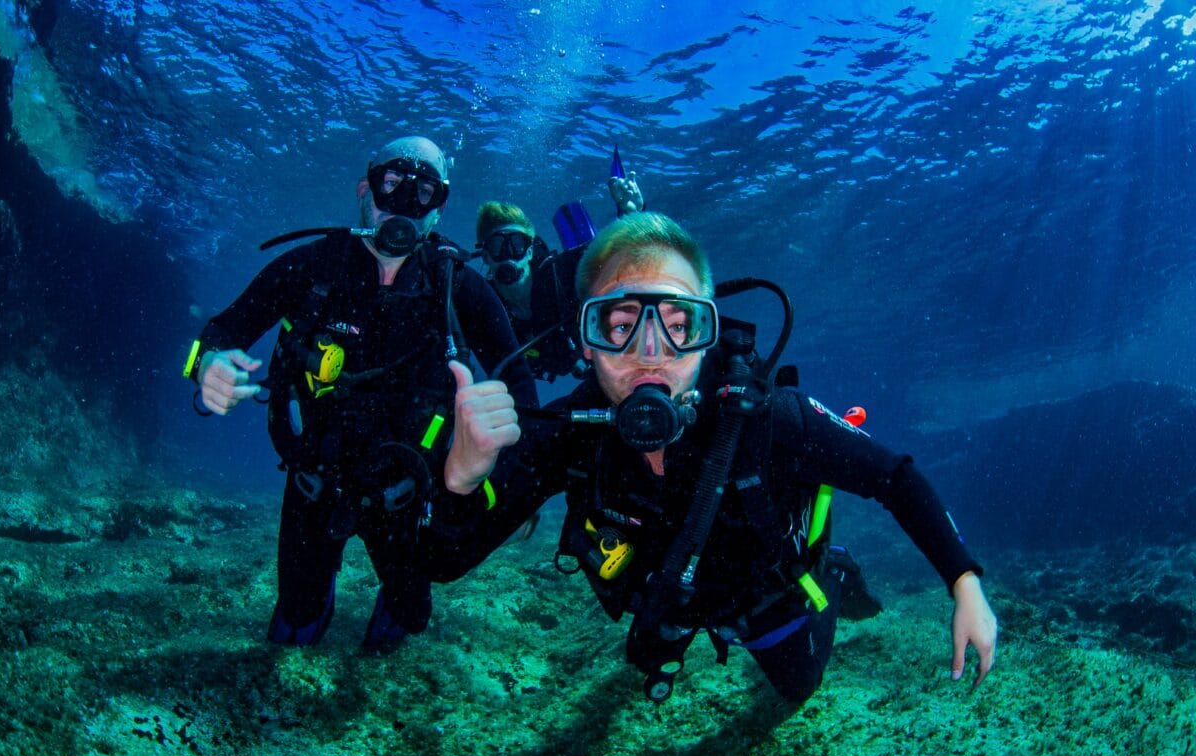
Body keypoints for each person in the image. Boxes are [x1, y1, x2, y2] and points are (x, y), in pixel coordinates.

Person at [427, 211, 997, 704]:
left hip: (763, 597)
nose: (650, 354)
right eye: (620, 324)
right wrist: (459, 476)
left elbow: (892, 477)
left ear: (707, 332)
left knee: (797, 687)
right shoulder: (569, 433)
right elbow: (441, 564)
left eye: (678, 326)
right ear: (585, 340)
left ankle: (834, 573)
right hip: (663, 604)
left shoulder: (771, 418)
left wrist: (964, 583)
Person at [183, 135, 537, 651]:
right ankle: (313, 604)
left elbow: (520, 391)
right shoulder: (309, 268)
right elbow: (218, 332)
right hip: (313, 481)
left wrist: (512, 480)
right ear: (363, 190)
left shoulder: (458, 289)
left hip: (408, 490)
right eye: (391, 184)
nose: (404, 206)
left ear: (439, 208)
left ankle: (388, 607)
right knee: (298, 614)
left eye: (424, 193)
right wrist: (206, 366)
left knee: (409, 615)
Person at [474, 171, 645, 383]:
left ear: (529, 251)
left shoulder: (560, 273)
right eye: (497, 246)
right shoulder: (480, 302)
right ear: (485, 255)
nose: (508, 254)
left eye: (516, 244)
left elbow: (612, 253)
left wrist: (633, 216)